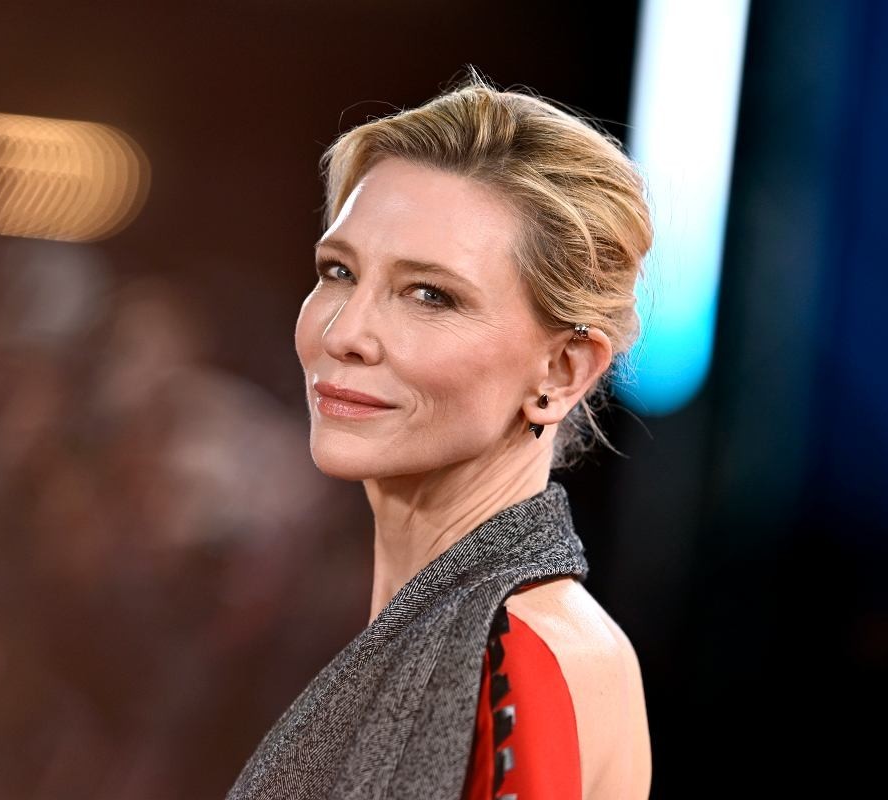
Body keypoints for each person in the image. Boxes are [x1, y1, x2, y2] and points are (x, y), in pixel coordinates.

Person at [226, 69, 652, 800]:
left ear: (562, 369)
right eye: (339, 271)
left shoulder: (517, 654)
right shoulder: (468, 633)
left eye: (430, 295)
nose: (345, 332)